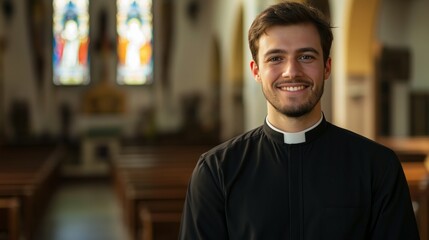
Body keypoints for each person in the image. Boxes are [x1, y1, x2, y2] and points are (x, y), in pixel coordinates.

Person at [179, 1, 419, 240]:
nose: (291, 71)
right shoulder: (216, 172)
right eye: (275, 58)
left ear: (327, 67)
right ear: (256, 71)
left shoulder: (378, 168)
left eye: (306, 56)